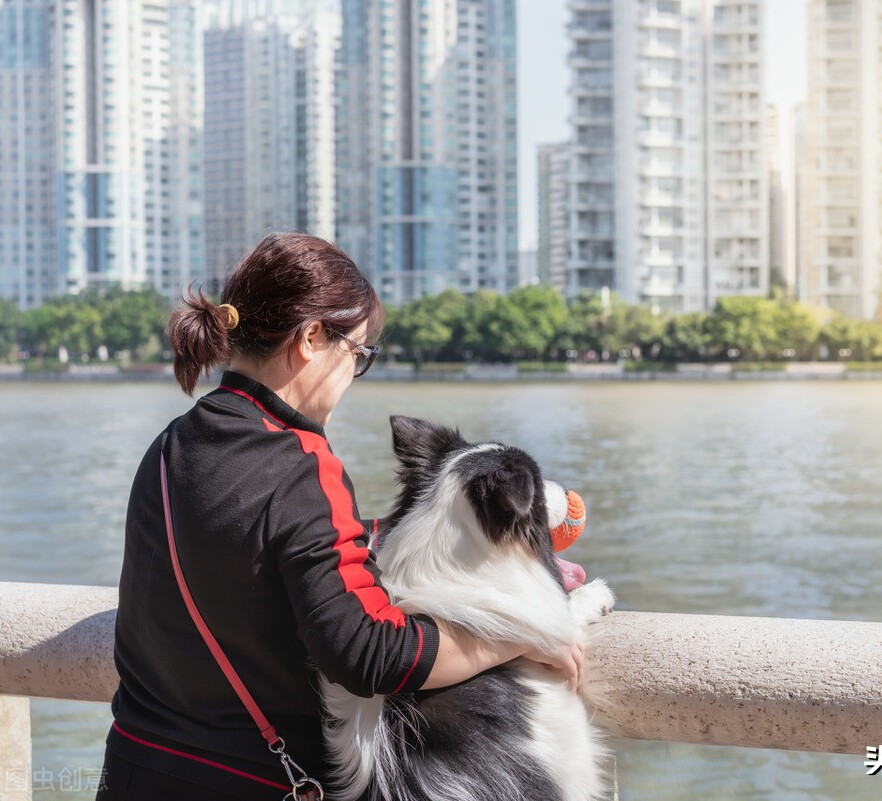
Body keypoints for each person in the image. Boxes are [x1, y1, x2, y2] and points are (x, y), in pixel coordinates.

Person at [98, 232, 584, 801]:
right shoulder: (300, 464)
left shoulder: (171, 445)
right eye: (358, 354)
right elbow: (370, 653)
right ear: (310, 339)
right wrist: (518, 636)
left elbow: (252, 549)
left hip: (135, 770)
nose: (354, 375)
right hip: (248, 781)